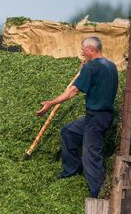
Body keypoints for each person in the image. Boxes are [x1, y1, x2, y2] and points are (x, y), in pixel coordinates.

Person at [36, 36, 118, 198]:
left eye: (83, 50)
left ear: (91, 50)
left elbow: (73, 91)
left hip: (96, 118)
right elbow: (97, 80)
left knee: (91, 155)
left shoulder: (91, 68)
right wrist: (85, 69)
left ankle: (98, 194)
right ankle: (71, 170)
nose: (81, 52)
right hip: (103, 116)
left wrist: (51, 103)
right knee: (69, 132)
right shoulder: (111, 65)